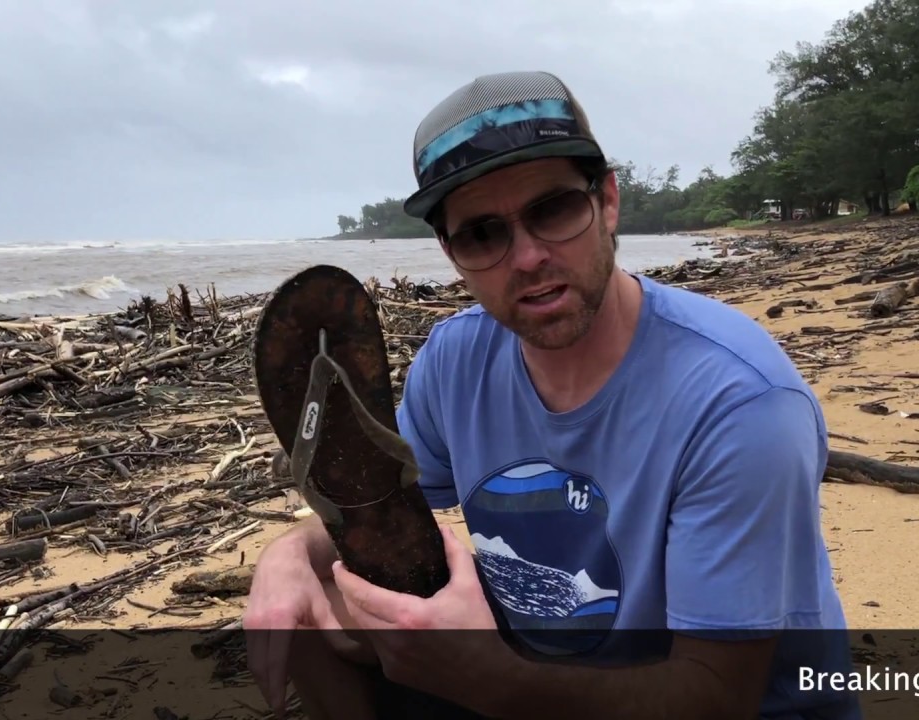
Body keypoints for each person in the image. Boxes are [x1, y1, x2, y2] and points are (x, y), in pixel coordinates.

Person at [242, 71, 859, 719]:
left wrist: (486, 679)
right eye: (483, 234)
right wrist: (288, 553)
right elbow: (386, 516)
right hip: (540, 668)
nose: (528, 257)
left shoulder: (738, 402)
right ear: (450, 251)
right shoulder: (456, 360)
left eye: (553, 210)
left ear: (608, 201)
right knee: (311, 604)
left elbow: (716, 697)